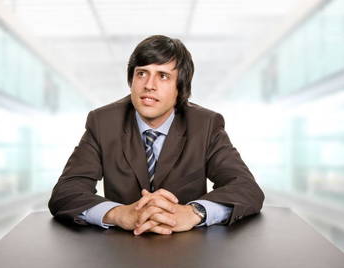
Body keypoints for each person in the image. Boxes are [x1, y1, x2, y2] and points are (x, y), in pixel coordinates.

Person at [48, 35, 264, 235]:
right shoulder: (103, 122)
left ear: (181, 88)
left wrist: (194, 212)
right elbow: (66, 192)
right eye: (141, 73)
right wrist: (118, 214)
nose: (149, 86)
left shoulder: (205, 125)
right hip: (119, 249)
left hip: (190, 250)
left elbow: (246, 188)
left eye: (163, 76)